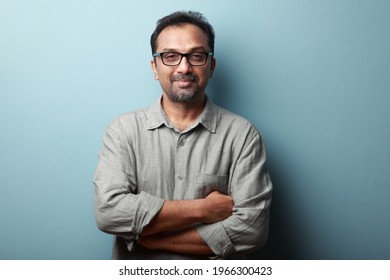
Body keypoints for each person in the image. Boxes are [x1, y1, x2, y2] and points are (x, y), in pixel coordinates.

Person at [93, 10, 272, 260]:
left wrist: (154, 240)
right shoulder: (122, 131)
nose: (184, 67)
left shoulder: (243, 136)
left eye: (196, 56)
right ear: (155, 67)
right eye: (171, 56)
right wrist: (203, 209)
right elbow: (109, 212)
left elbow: (252, 230)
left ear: (211, 66)